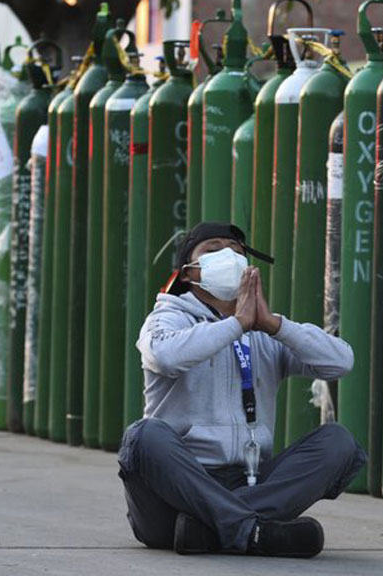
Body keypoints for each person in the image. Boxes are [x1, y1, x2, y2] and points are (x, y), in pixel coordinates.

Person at [117, 222, 366, 558]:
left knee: (339, 443)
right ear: (189, 273)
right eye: (212, 249)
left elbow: (341, 362)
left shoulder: (265, 331)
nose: (227, 256)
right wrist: (235, 325)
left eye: (235, 251)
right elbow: (165, 356)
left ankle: (219, 529)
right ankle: (250, 528)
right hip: (172, 493)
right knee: (143, 436)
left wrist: (275, 326)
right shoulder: (168, 318)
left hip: (245, 481)